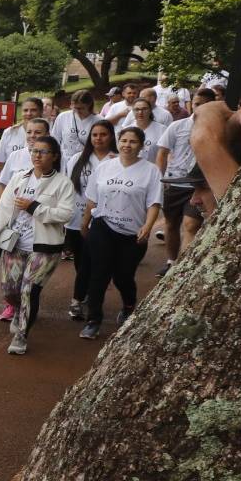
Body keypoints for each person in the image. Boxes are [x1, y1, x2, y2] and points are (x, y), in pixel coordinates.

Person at [0, 136, 76, 355]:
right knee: (10, 290)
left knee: (28, 290)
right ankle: (17, 310)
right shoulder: (19, 178)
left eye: (43, 152)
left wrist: (34, 207)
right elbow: (4, 209)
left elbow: (65, 214)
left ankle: (21, 335)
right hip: (15, 244)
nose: (37, 155)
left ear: (54, 156)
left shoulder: (63, 183)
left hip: (45, 247)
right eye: (34, 151)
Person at [79, 127, 162, 340]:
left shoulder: (151, 170)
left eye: (133, 142)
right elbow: (91, 199)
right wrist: (85, 223)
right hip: (103, 226)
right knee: (99, 273)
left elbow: (154, 203)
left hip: (132, 233)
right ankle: (93, 320)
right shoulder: (105, 167)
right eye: (124, 140)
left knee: (123, 276)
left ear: (141, 146)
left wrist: (148, 226)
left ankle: (128, 305)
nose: (127, 145)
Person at [0, 116, 51, 305]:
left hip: (38, 220)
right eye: (29, 132)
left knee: (30, 269)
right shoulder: (15, 156)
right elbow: (2, 183)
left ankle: (25, 301)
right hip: (12, 214)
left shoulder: (55, 158)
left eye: (38, 132)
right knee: (1, 247)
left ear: (47, 135)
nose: (32, 136)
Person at [155, 88, 218, 277]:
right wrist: (162, 178)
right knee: (171, 224)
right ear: (191, 104)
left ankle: (182, 269)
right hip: (174, 183)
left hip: (197, 186)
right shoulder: (177, 126)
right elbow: (162, 153)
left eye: (205, 105)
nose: (200, 108)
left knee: (191, 225)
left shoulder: (218, 128)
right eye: (197, 104)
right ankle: (171, 261)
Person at [63, 120, 117, 321]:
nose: (98, 138)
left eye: (103, 134)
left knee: (94, 262)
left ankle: (83, 299)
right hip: (77, 219)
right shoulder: (77, 159)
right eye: (95, 135)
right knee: (81, 261)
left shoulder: (117, 160)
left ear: (111, 136)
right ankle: (84, 294)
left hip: (104, 221)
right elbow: (68, 188)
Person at [0, 97, 44, 184]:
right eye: (25, 110)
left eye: (33, 110)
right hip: (10, 185)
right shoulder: (10, 132)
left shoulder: (47, 134)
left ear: (41, 111)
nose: (29, 113)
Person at [51, 90, 100, 165]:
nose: (76, 111)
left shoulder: (99, 120)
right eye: (74, 107)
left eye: (80, 108)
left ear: (89, 105)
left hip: (89, 162)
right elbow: (54, 139)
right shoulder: (63, 117)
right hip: (65, 162)